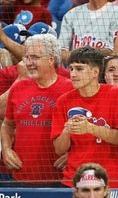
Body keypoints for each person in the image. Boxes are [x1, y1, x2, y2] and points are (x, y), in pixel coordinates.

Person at [52, 47, 118, 188]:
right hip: (74, 181)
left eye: (79, 69)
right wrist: (66, 131)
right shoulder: (63, 101)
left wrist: (90, 128)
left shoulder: (117, 95)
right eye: (71, 69)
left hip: (109, 181)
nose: (73, 74)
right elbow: (59, 149)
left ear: (95, 72)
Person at [0, 34, 74, 185]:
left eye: (34, 57)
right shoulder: (18, 87)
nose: (29, 63)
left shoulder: (70, 88)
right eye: (26, 58)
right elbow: (7, 124)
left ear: (51, 59)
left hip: (60, 179)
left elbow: (84, 127)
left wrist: (73, 155)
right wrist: (6, 149)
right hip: (21, 176)